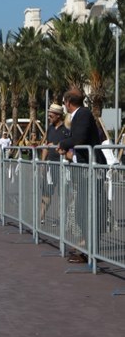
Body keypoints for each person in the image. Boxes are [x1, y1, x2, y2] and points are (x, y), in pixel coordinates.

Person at [57, 89, 107, 263]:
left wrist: (62, 144)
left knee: (86, 210)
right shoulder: (81, 114)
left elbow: (79, 139)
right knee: (82, 210)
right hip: (87, 168)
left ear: (69, 102)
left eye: (64, 103)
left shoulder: (83, 114)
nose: (64, 106)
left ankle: (90, 249)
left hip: (93, 169)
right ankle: (89, 247)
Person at [39, 104, 69, 225]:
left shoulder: (66, 131)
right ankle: (40, 217)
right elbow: (46, 146)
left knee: (62, 194)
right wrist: (42, 163)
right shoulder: (50, 129)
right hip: (50, 166)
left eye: (51, 115)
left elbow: (69, 147)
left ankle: (61, 219)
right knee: (46, 192)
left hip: (62, 166)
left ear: (58, 116)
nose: (49, 117)